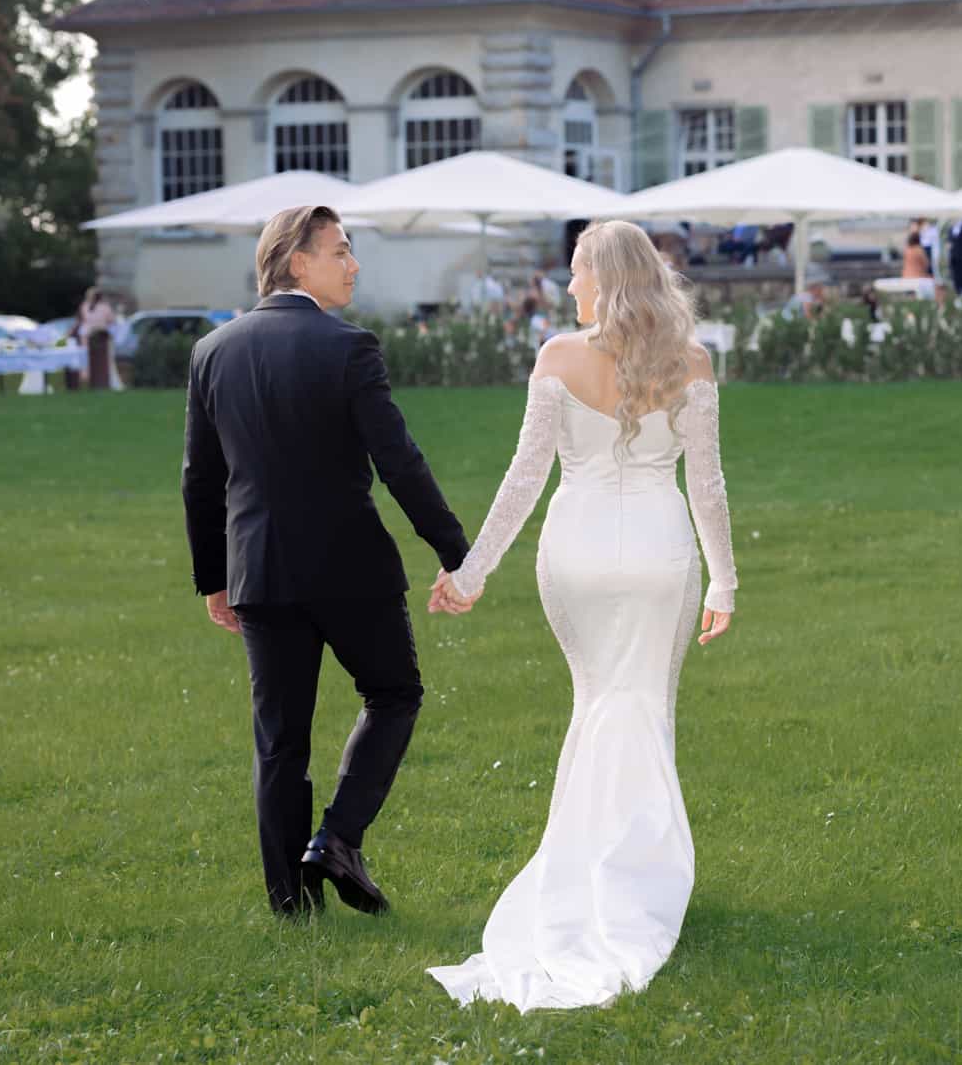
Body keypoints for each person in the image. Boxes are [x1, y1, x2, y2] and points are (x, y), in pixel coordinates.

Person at [426, 219, 738, 1013]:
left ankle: (595, 866)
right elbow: (708, 486)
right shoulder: (692, 361)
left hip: (576, 554)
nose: (568, 288)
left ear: (605, 277)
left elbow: (525, 477)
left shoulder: (559, 359)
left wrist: (473, 571)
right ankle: (637, 874)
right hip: (664, 557)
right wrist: (724, 582)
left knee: (599, 702)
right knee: (643, 709)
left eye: (576, 273)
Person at [180, 205, 471, 917]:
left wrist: (214, 576)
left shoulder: (212, 350)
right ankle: (338, 838)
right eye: (341, 250)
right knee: (395, 693)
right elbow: (398, 461)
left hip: (259, 572)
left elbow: (198, 476)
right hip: (351, 568)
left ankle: (291, 905)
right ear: (295, 260)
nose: (353, 263)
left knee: (280, 739)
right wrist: (458, 551)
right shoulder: (349, 347)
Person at [76, 287, 121, 391]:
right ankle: (92, 380)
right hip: (93, 338)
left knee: (89, 362)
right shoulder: (102, 307)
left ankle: (90, 380)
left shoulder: (86, 306)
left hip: (94, 338)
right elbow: (112, 321)